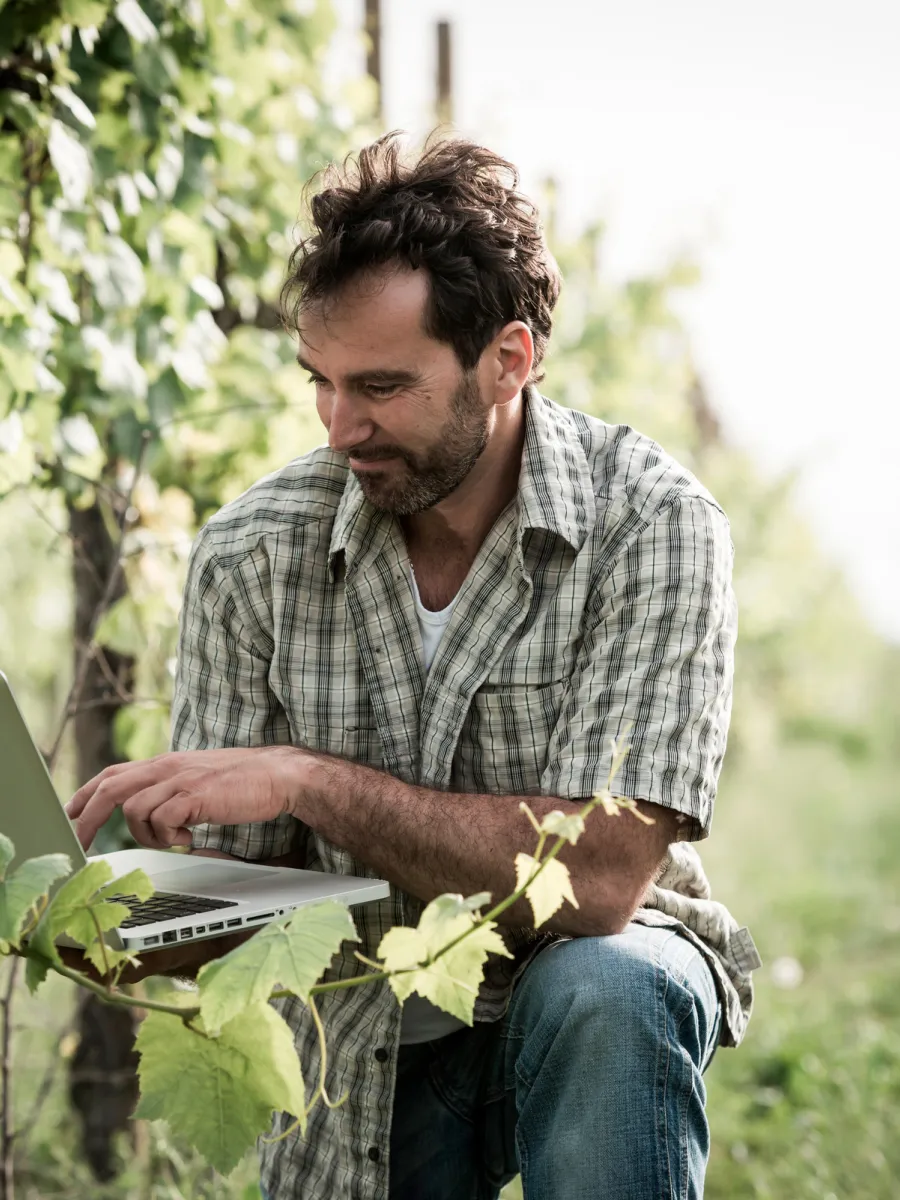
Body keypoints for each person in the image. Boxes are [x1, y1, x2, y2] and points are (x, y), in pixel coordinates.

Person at [67, 133, 760, 1200]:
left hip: (582, 1003)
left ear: (509, 360)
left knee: (610, 989)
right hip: (365, 1042)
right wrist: (85, 914)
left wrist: (309, 779)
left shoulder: (653, 527)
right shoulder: (253, 555)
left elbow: (601, 881)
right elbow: (243, 913)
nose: (341, 427)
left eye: (381, 387)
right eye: (322, 384)